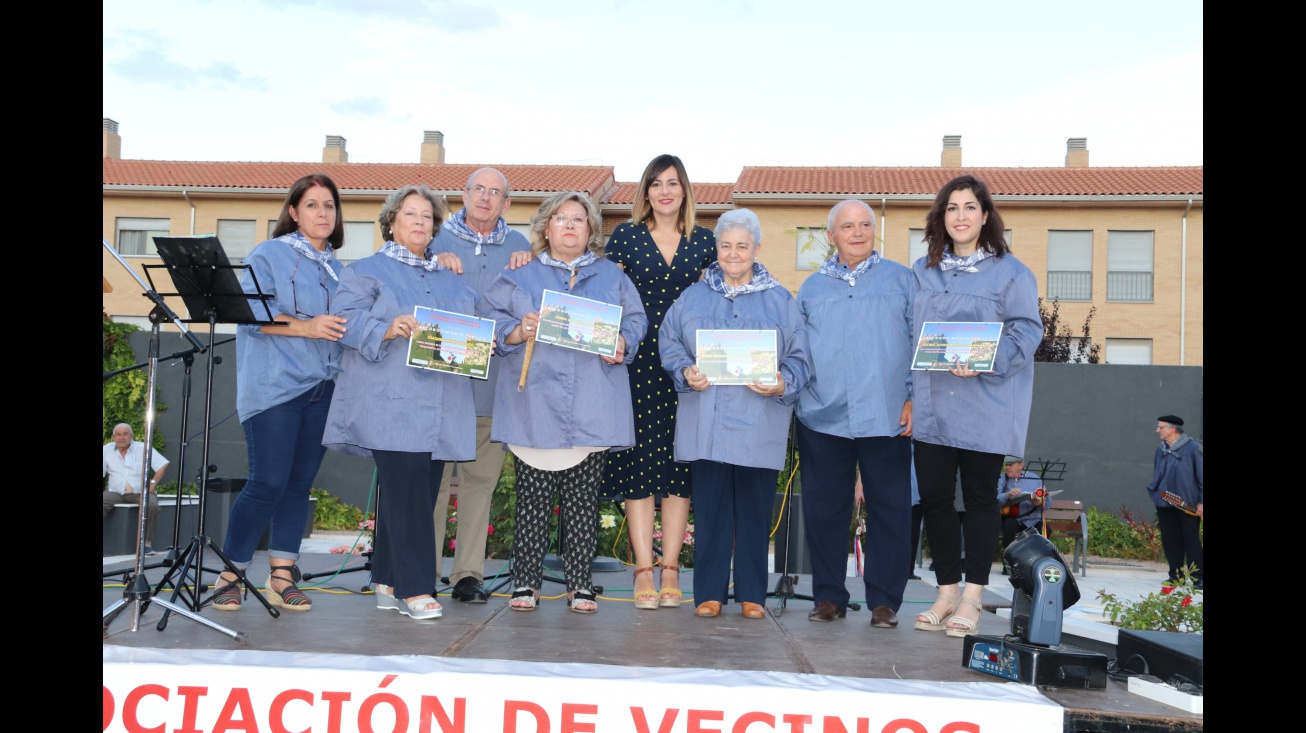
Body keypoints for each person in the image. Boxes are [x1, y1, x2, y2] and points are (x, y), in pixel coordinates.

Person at [478, 191, 647, 614]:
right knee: (533, 501)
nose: (570, 226)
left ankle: (580, 584)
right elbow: (489, 318)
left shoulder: (613, 277)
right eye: (560, 219)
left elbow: (636, 319)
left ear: (590, 229)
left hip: (594, 402)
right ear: (546, 227)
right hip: (534, 403)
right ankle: (526, 583)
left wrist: (624, 340)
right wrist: (517, 330)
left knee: (583, 501)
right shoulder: (521, 275)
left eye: (578, 219)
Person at [321, 184, 478, 620]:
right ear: (391, 222)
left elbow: (473, 331)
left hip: (442, 406)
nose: (420, 222)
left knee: (414, 494)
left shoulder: (451, 278)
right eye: (411, 214)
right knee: (407, 493)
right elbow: (343, 322)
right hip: (389, 402)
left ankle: (388, 579)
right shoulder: (364, 270)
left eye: (427, 216)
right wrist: (386, 329)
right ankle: (415, 588)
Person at [658, 209, 810, 619]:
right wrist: (684, 370)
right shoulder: (692, 297)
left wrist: (782, 382)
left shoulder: (781, 300)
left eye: (742, 246)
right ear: (717, 249)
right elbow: (669, 341)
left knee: (754, 515)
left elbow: (801, 357)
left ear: (756, 249)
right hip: (706, 422)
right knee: (710, 512)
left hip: (759, 423)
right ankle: (708, 593)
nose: (733, 253)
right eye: (726, 246)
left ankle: (752, 596)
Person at [910, 175, 1041, 638]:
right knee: (936, 502)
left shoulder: (1012, 272)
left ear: (986, 216)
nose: (960, 216)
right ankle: (946, 592)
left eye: (969, 207)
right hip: (932, 407)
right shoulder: (922, 271)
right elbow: (909, 337)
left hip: (985, 403)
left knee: (982, 502)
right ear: (940, 218)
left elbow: (1027, 331)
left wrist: (986, 361)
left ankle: (973, 597)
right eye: (951, 208)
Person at [213, 173, 348, 613]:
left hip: (322, 387)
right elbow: (250, 315)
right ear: (293, 212)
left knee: (297, 485)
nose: (322, 213)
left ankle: (281, 576)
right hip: (273, 388)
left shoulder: (341, 270)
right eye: (312, 205)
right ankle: (230, 573)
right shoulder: (268, 253)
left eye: (329, 205)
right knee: (267, 482)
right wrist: (307, 326)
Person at [795, 199, 917, 629]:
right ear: (832, 236)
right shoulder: (811, 288)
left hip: (886, 414)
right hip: (822, 416)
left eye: (865, 224)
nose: (859, 232)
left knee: (891, 510)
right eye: (848, 226)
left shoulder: (903, 281)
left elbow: (921, 344)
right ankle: (828, 596)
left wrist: (914, 395)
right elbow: (798, 351)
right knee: (825, 511)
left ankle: (884, 601)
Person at [602, 154, 716, 609]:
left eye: (673, 183)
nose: (665, 191)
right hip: (636, 367)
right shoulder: (625, 238)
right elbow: (606, 297)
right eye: (656, 183)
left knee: (677, 469)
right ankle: (643, 571)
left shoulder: (706, 242)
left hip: (688, 369)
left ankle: (671, 568)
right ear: (645, 192)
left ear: (685, 190)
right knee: (640, 469)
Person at [429, 168, 533, 604]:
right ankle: (421, 568)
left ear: (507, 204)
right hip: (437, 384)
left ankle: (468, 575)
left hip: (491, 385)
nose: (486, 198)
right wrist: (431, 263)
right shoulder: (432, 238)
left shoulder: (521, 248)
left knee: (479, 481)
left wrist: (531, 270)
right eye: (478, 190)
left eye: (496, 193)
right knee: (430, 484)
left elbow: (527, 308)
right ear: (464, 195)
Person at [1146, 415, 1203, 588]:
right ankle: (1175, 576)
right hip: (1165, 503)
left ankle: (1198, 578)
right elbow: (1158, 474)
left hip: (1188, 505)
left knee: (1191, 540)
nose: (1158, 430)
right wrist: (1155, 493)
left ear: (1173, 429)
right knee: (1170, 540)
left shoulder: (1193, 448)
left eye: (1161, 427)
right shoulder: (1161, 450)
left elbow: (1202, 476)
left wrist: (1201, 502)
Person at [103, 423, 169, 553]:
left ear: (131, 436)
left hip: (140, 492)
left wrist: (153, 483)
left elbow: (163, 464)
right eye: (118, 434)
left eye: (125, 434)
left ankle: (147, 544)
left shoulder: (142, 448)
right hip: (115, 492)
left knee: (152, 505)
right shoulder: (106, 449)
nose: (121, 437)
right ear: (113, 437)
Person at [997, 456, 1045, 569]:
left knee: (1044, 528)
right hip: (1013, 517)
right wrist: (1007, 495)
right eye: (1006, 465)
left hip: (1032, 519)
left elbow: (1047, 500)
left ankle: (1036, 564)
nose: (1007, 467)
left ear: (1020, 465)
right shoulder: (1003, 478)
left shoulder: (1034, 478)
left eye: (1011, 465)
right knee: (1009, 525)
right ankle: (1009, 565)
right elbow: (995, 498)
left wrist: (1039, 502)